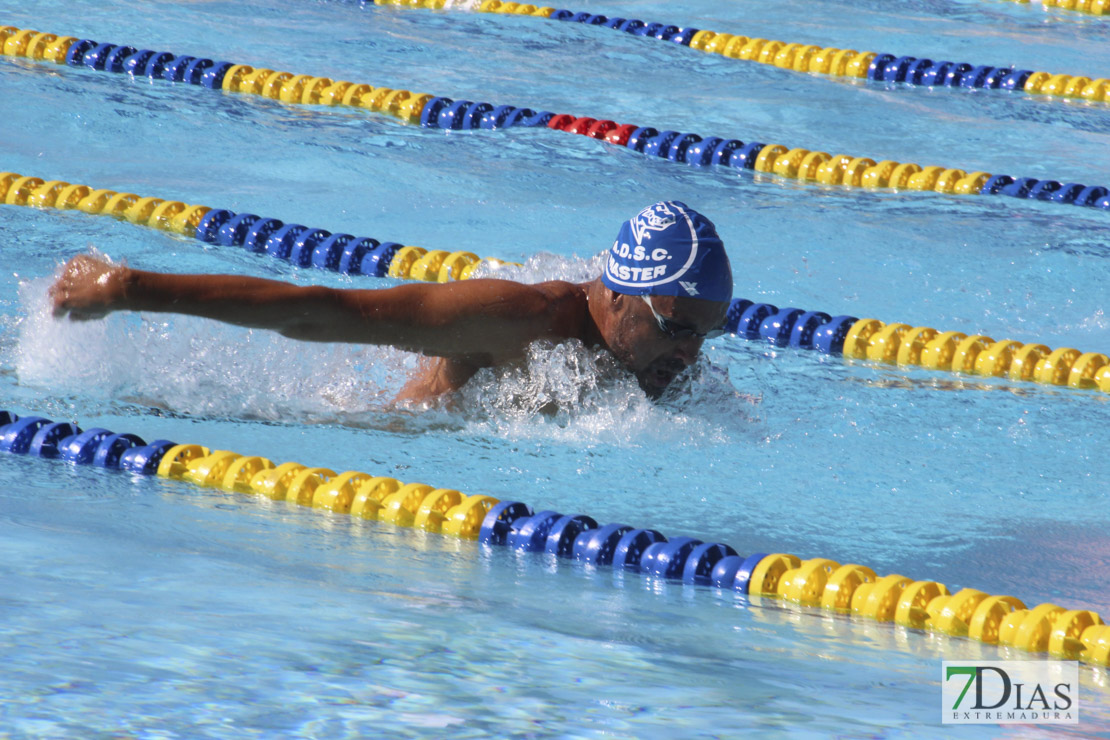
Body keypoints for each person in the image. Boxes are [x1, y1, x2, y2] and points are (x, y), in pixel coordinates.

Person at [50, 201, 733, 402]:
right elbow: (321, 310)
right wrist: (132, 289)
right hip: (399, 447)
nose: (691, 353)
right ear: (618, 296)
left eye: (708, 333)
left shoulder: (666, 358)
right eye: (678, 329)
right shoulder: (519, 319)